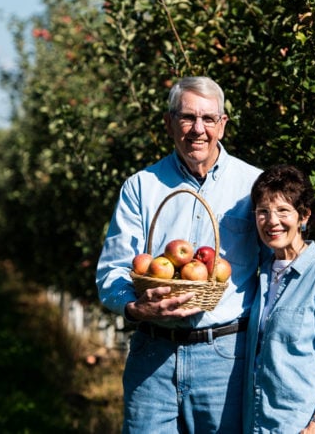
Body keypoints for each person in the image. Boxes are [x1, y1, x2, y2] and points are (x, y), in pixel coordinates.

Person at [96, 76, 264, 433]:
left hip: (225, 358)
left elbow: (279, 267)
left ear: (223, 124)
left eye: (208, 119)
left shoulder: (253, 187)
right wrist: (133, 307)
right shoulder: (142, 187)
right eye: (187, 117)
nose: (197, 130)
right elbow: (111, 271)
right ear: (169, 123)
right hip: (152, 353)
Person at [243, 164, 315, 433]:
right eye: (263, 212)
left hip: (303, 427)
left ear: (304, 216)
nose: (272, 221)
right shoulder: (260, 276)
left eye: (283, 211)